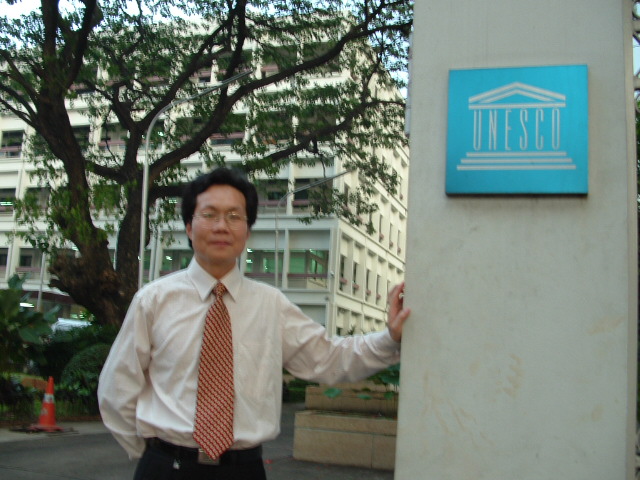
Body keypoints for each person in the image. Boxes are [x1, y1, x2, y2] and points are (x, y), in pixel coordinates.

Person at [98, 167, 411, 480]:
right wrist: (152, 455)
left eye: (234, 216)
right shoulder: (154, 301)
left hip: (243, 470)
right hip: (167, 467)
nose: (222, 226)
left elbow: (329, 358)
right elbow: (117, 388)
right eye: (210, 214)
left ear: (247, 232)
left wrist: (390, 339)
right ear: (190, 227)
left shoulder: (271, 305)